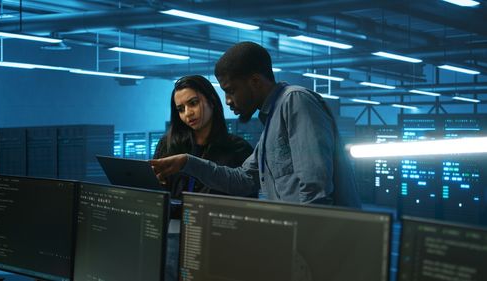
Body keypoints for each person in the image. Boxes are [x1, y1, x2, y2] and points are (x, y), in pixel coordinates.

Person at [151, 42, 361, 208]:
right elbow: (241, 180)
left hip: (321, 246)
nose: (228, 100)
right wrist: (187, 162)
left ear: (255, 82)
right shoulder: (272, 122)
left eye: (231, 90)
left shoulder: (295, 101)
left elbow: (316, 194)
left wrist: (299, 249)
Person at [154, 75, 253, 281]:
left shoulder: (237, 149)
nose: (188, 113)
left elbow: (246, 199)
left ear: (211, 100)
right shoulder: (168, 146)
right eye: (180, 109)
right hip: (173, 238)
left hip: (216, 241)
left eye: (193, 103)